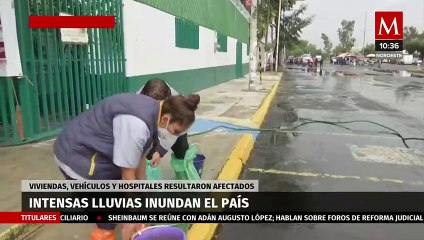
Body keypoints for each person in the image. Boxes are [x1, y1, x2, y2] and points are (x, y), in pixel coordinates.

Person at [53, 91, 200, 240]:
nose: (173, 136)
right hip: (78, 158)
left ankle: (130, 229)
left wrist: (143, 193)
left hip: (93, 149)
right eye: (175, 131)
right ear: (166, 119)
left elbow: (141, 156)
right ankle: (104, 232)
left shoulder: (154, 111)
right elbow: (127, 174)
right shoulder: (137, 125)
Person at [136, 79, 189, 166]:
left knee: (182, 151)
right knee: (148, 155)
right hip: (149, 124)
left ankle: (183, 174)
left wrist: (160, 150)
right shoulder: (137, 101)